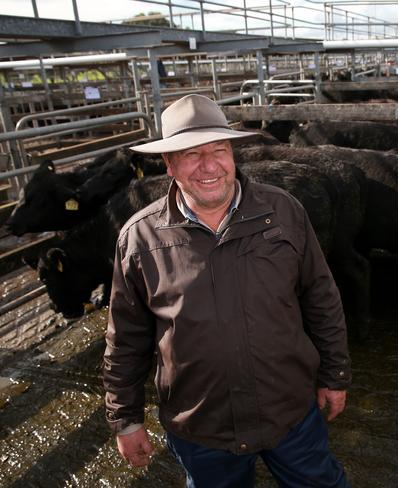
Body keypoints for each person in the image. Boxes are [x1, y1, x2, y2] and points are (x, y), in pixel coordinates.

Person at [103, 94, 351, 488]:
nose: (209, 165)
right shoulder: (140, 238)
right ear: (169, 164)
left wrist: (335, 374)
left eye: (219, 150)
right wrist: (125, 419)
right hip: (202, 426)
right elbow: (125, 338)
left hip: (289, 411)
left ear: (233, 153)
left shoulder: (283, 211)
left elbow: (321, 297)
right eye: (191, 154)